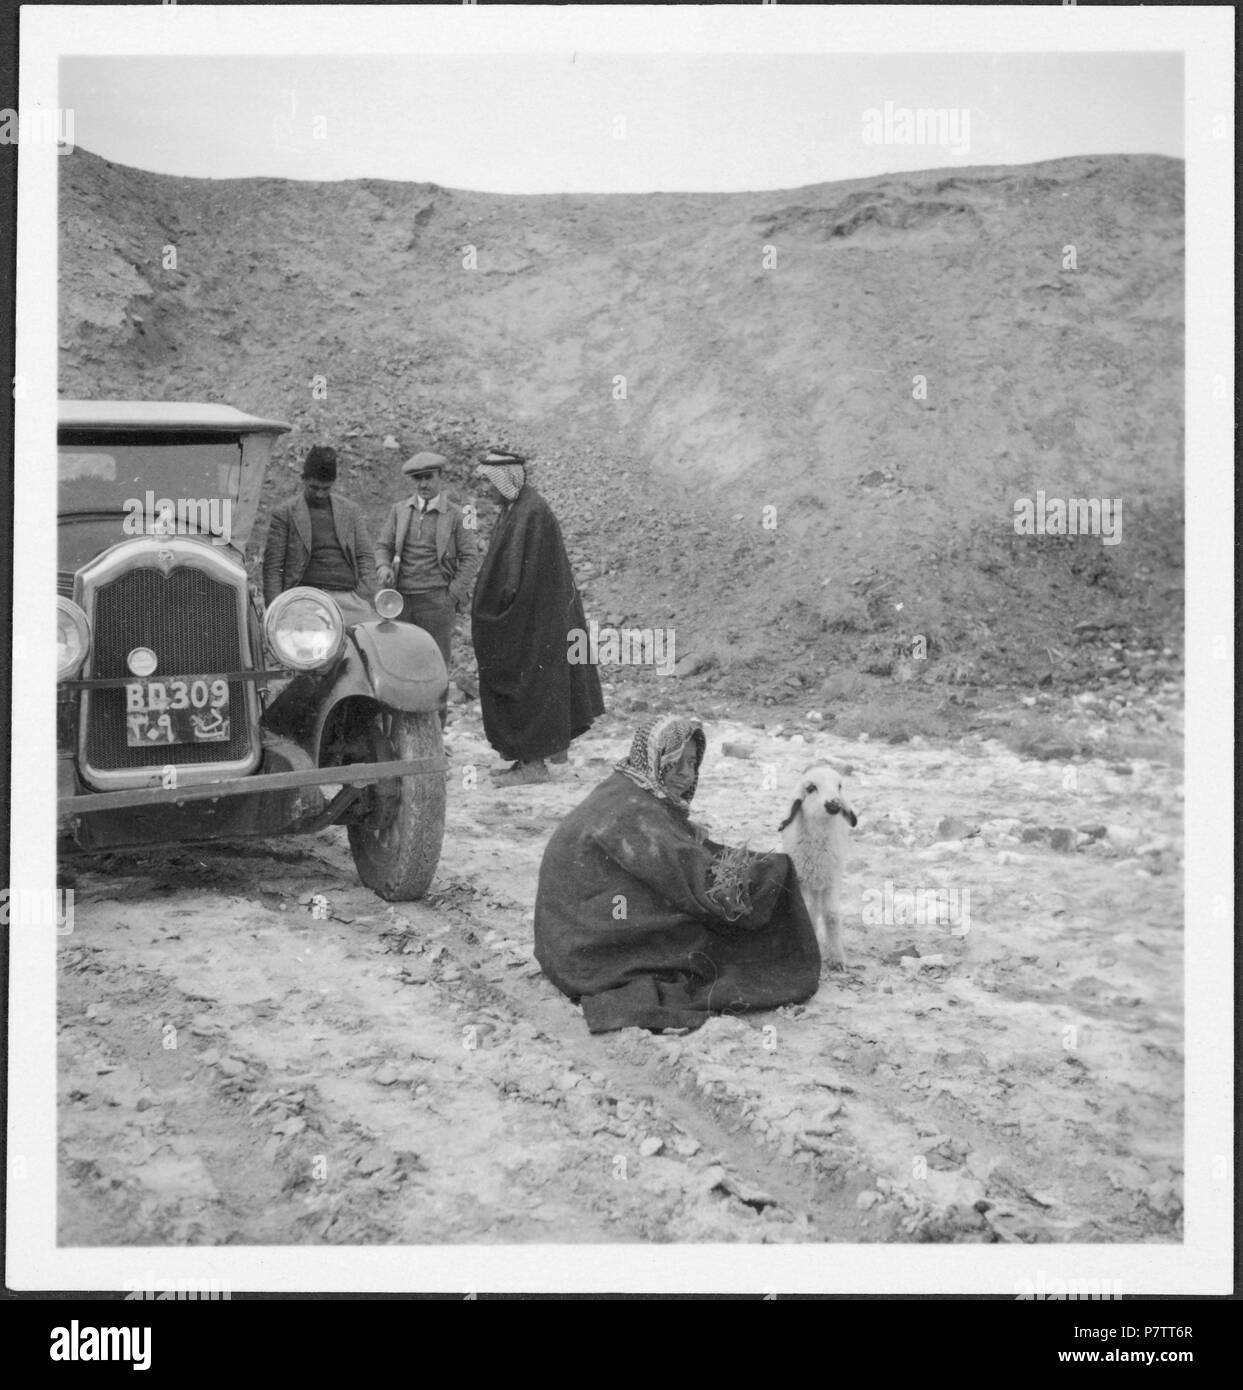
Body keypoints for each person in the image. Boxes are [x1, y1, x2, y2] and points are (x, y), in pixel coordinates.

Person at [533, 715, 821, 1033]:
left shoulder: (627, 787)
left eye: (692, 763)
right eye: (676, 763)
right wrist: (766, 876)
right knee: (706, 938)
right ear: (655, 758)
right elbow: (694, 880)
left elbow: (670, 853)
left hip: (564, 937)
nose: (686, 774)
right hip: (587, 949)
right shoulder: (634, 810)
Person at [470, 450, 604, 784]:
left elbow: (518, 579)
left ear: (507, 479)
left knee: (533, 685)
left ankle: (534, 765)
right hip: (533, 618)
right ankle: (528, 759)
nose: (485, 490)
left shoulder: (532, 512)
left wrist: (502, 611)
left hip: (537, 621)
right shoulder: (517, 508)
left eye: (489, 481)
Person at [375, 451, 479, 726]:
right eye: (418, 479)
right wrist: (383, 567)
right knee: (398, 664)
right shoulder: (399, 510)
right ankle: (399, 732)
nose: (423, 484)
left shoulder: (457, 515)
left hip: (437, 602)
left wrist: (451, 595)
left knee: (436, 666)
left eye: (428, 477)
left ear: (440, 478)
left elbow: (470, 557)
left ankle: (436, 732)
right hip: (401, 601)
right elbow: (383, 546)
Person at [262, 444, 377, 627]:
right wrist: (276, 610)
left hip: (350, 600)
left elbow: (365, 556)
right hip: (304, 600)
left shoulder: (350, 511)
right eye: (314, 487)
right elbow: (273, 567)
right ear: (303, 479)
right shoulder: (285, 513)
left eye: (326, 488)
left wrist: (364, 596)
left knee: (368, 643)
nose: (320, 494)